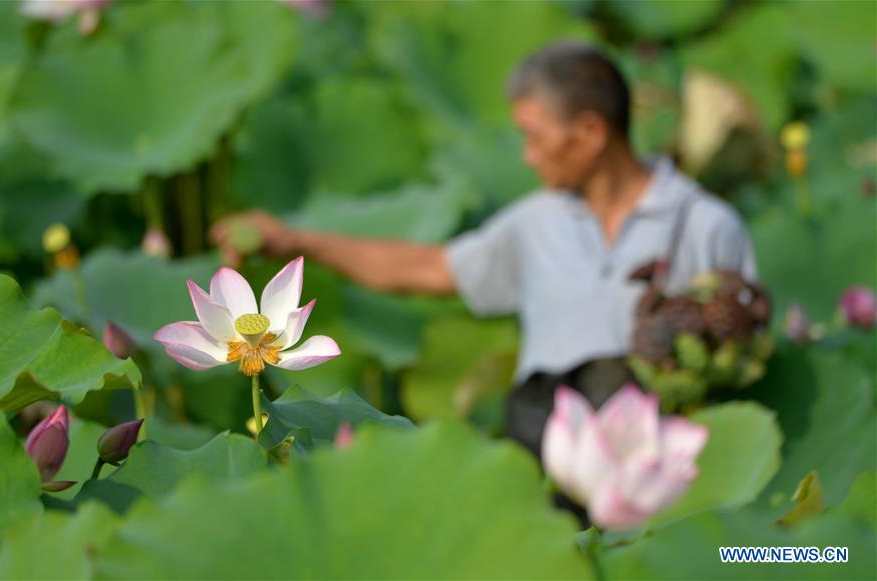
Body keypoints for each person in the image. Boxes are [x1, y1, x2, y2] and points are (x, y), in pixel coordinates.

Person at [211, 42, 757, 460]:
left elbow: (746, 357)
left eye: (535, 136)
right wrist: (300, 241)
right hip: (549, 460)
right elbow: (424, 270)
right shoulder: (535, 223)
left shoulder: (706, 225)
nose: (527, 156)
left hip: (665, 464)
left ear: (589, 133)